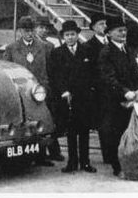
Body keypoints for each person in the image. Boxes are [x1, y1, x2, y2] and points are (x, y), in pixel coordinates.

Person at [98, 16, 138, 178]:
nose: (123, 33)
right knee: (117, 134)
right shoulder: (106, 52)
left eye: (125, 30)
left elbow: (136, 73)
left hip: (133, 99)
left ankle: (133, 164)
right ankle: (118, 167)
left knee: (133, 132)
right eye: (119, 30)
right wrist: (124, 91)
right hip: (115, 100)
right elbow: (108, 77)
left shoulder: (128, 50)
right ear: (110, 33)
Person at [4, 16, 54, 167]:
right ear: (19, 31)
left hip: (39, 91)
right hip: (20, 93)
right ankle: (22, 156)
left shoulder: (45, 47)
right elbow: (6, 70)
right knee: (21, 124)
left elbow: (50, 70)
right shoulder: (11, 48)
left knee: (41, 124)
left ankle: (41, 156)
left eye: (31, 30)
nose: (29, 33)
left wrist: (45, 88)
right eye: (26, 30)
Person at [49, 20, 97, 173]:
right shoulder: (57, 53)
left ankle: (85, 162)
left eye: (72, 34)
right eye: (67, 35)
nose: (70, 37)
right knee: (70, 132)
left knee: (84, 131)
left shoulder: (87, 50)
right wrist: (63, 90)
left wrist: (90, 91)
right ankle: (72, 162)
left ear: (77, 35)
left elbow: (92, 73)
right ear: (63, 37)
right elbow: (54, 76)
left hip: (84, 98)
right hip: (67, 98)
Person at [34, 16, 65, 162]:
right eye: (41, 27)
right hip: (36, 89)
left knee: (51, 120)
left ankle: (54, 151)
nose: (44, 30)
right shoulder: (31, 46)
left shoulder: (50, 46)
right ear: (35, 29)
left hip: (50, 88)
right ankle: (40, 155)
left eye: (46, 28)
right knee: (39, 120)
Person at [84, 13, 110, 164]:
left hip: (113, 90)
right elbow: (89, 71)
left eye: (105, 24)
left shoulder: (112, 43)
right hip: (100, 91)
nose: (104, 27)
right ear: (93, 28)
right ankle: (108, 156)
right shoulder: (88, 46)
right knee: (104, 125)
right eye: (101, 24)